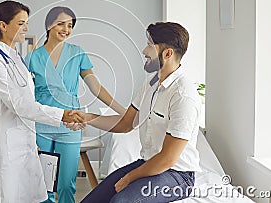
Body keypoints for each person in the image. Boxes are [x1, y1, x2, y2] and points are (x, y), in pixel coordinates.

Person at [70, 22, 201, 203]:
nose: (144, 50)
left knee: (120, 201)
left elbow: (168, 159)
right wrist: (88, 118)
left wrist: (129, 178)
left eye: (149, 45)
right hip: (148, 164)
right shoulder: (150, 83)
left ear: (168, 53)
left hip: (177, 175)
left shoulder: (183, 95)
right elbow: (126, 123)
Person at [0, 0, 84, 203]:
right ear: (3, 25)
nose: (26, 28)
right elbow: (18, 104)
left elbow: (28, 100)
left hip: (24, 141)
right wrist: (62, 114)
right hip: (6, 146)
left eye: (26, 23)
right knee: (5, 197)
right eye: (20, 23)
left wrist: (32, 140)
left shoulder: (16, 57)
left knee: (31, 195)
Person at [25, 6, 126, 203]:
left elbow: (96, 87)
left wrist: (123, 111)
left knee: (66, 183)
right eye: (61, 23)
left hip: (70, 124)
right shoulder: (32, 57)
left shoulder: (77, 53)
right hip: (41, 125)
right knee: (43, 184)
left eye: (70, 25)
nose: (66, 29)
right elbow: (26, 98)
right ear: (49, 25)